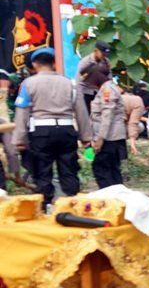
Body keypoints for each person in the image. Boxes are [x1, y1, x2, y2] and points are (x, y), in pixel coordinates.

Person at [12, 47, 93, 207]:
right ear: (54, 63)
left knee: (42, 171)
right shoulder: (69, 83)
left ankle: (44, 207)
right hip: (66, 131)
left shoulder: (29, 84)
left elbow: (22, 113)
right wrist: (86, 136)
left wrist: (19, 139)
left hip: (41, 133)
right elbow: (81, 111)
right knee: (69, 170)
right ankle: (72, 205)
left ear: (34, 64)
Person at [89, 68, 128, 188]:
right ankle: (117, 197)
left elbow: (107, 115)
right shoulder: (107, 88)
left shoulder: (107, 90)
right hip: (111, 136)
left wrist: (100, 138)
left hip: (110, 137)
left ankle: (109, 197)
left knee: (101, 168)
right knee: (112, 169)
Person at [76, 42, 111, 112]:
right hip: (86, 92)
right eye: (103, 54)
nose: (104, 56)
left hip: (100, 92)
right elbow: (79, 80)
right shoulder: (86, 62)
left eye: (106, 55)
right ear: (95, 51)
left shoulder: (106, 61)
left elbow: (109, 77)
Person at [122, 87, 146, 155]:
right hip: (122, 128)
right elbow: (133, 123)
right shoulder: (138, 100)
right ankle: (130, 145)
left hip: (113, 128)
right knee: (140, 126)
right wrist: (133, 145)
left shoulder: (119, 98)